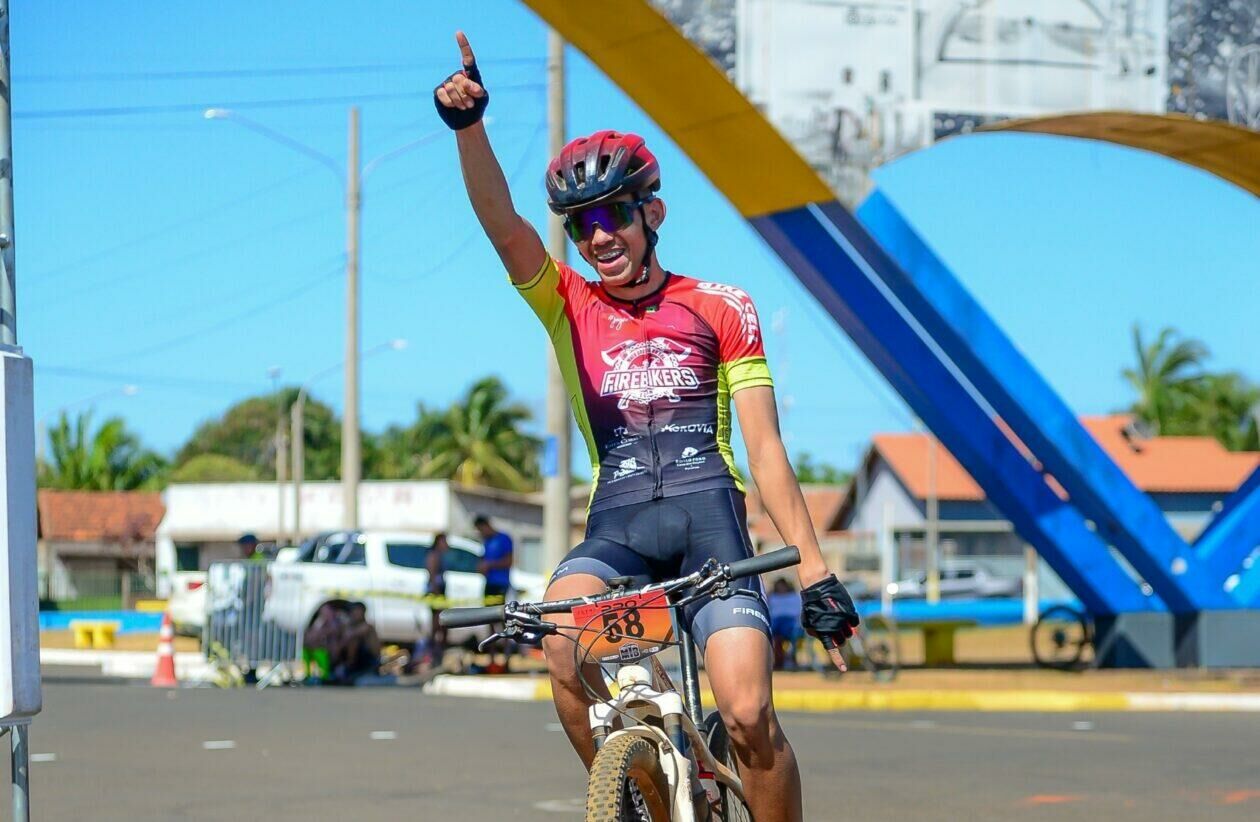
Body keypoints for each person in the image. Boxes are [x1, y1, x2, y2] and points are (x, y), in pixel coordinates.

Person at [435, 32, 860, 822]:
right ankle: (653, 802)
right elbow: (501, 224)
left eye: (614, 214)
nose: (599, 235)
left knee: (746, 715)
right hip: (619, 523)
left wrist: (815, 574)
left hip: (712, 523)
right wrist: (469, 129)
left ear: (650, 212)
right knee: (561, 647)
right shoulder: (569, 303)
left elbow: (765, 451)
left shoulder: (720, 306)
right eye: (581, 223)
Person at [473, 515, 514, 673]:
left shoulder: (503, 539)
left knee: (502, 622)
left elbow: (508, 561)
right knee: (489, 622)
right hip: (488, 585)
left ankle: (506, 657)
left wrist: (490, 565)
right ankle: (491, 659)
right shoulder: (486, 542)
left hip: (500, 585)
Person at [419, 532, 451, 670]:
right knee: (437, 624)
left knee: (441, 626)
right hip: (436, 592)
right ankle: (433, 654)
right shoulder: (433, 555)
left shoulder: (440, 555)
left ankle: (437, 653)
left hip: (440, 591)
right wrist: (437, 594)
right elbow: (432, 576)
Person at [332, 602, 381, 685]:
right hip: (357, 663)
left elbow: (351, 635)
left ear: (362, 612)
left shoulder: (367, 627)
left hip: (369, 663)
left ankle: (348, 669)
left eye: (357, 611)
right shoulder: (350, 627)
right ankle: (344, 670)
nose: (354, 613)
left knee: (353, 641)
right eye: (353, 611)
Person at [767, 578, 804, 670]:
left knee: (788, 631)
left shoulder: (795, 597)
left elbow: (798, 612)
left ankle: (791, 659)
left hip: (791, 623)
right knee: (775, 635)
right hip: (775, 622)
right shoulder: (772, 597)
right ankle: (779, 660)